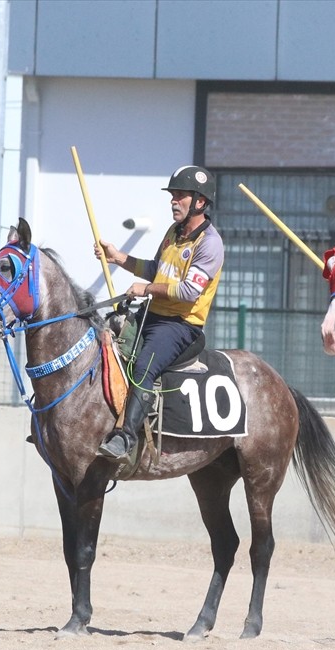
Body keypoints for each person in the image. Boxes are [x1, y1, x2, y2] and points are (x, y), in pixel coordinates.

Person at [93, 165, 224, 464]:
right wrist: (119, 259)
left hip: (181, 326)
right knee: (103, 340)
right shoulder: (173, 233)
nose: (173, 201)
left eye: (180, 195)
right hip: (152, 314)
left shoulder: (211, 244)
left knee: (144, 366)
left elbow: (190, 291)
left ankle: (125, 437)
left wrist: (146, 289)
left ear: (200, 202)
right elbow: (156, 269)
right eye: (173, 195)